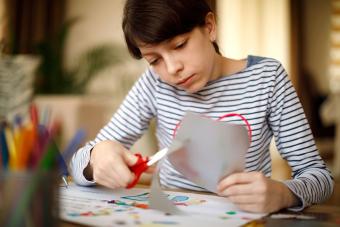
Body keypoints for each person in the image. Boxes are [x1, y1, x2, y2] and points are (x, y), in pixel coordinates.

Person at [70, 0, 334, 213]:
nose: (172, 69)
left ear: (209, 27)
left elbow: (319, 178)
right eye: (154, 60)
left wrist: (283, 194)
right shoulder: (155, 84)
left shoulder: (267, 78)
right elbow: (76, 165)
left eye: (180, 45)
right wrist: (96, 159)